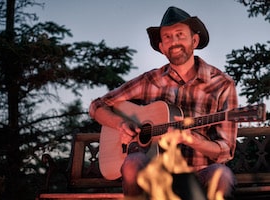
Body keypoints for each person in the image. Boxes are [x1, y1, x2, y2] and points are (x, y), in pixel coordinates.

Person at [89, 6, 238, 200]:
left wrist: (191, 139)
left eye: (179, 35)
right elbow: (97, 106)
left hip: (201, 171)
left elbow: (225, 150)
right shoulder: (149, 80)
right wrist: (120, 124)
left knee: (223, 176)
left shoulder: (221, 84)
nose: (173, 41)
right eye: (167, 37)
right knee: (133, 163)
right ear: (161, 47)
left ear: (194, 40)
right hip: (154, 174)